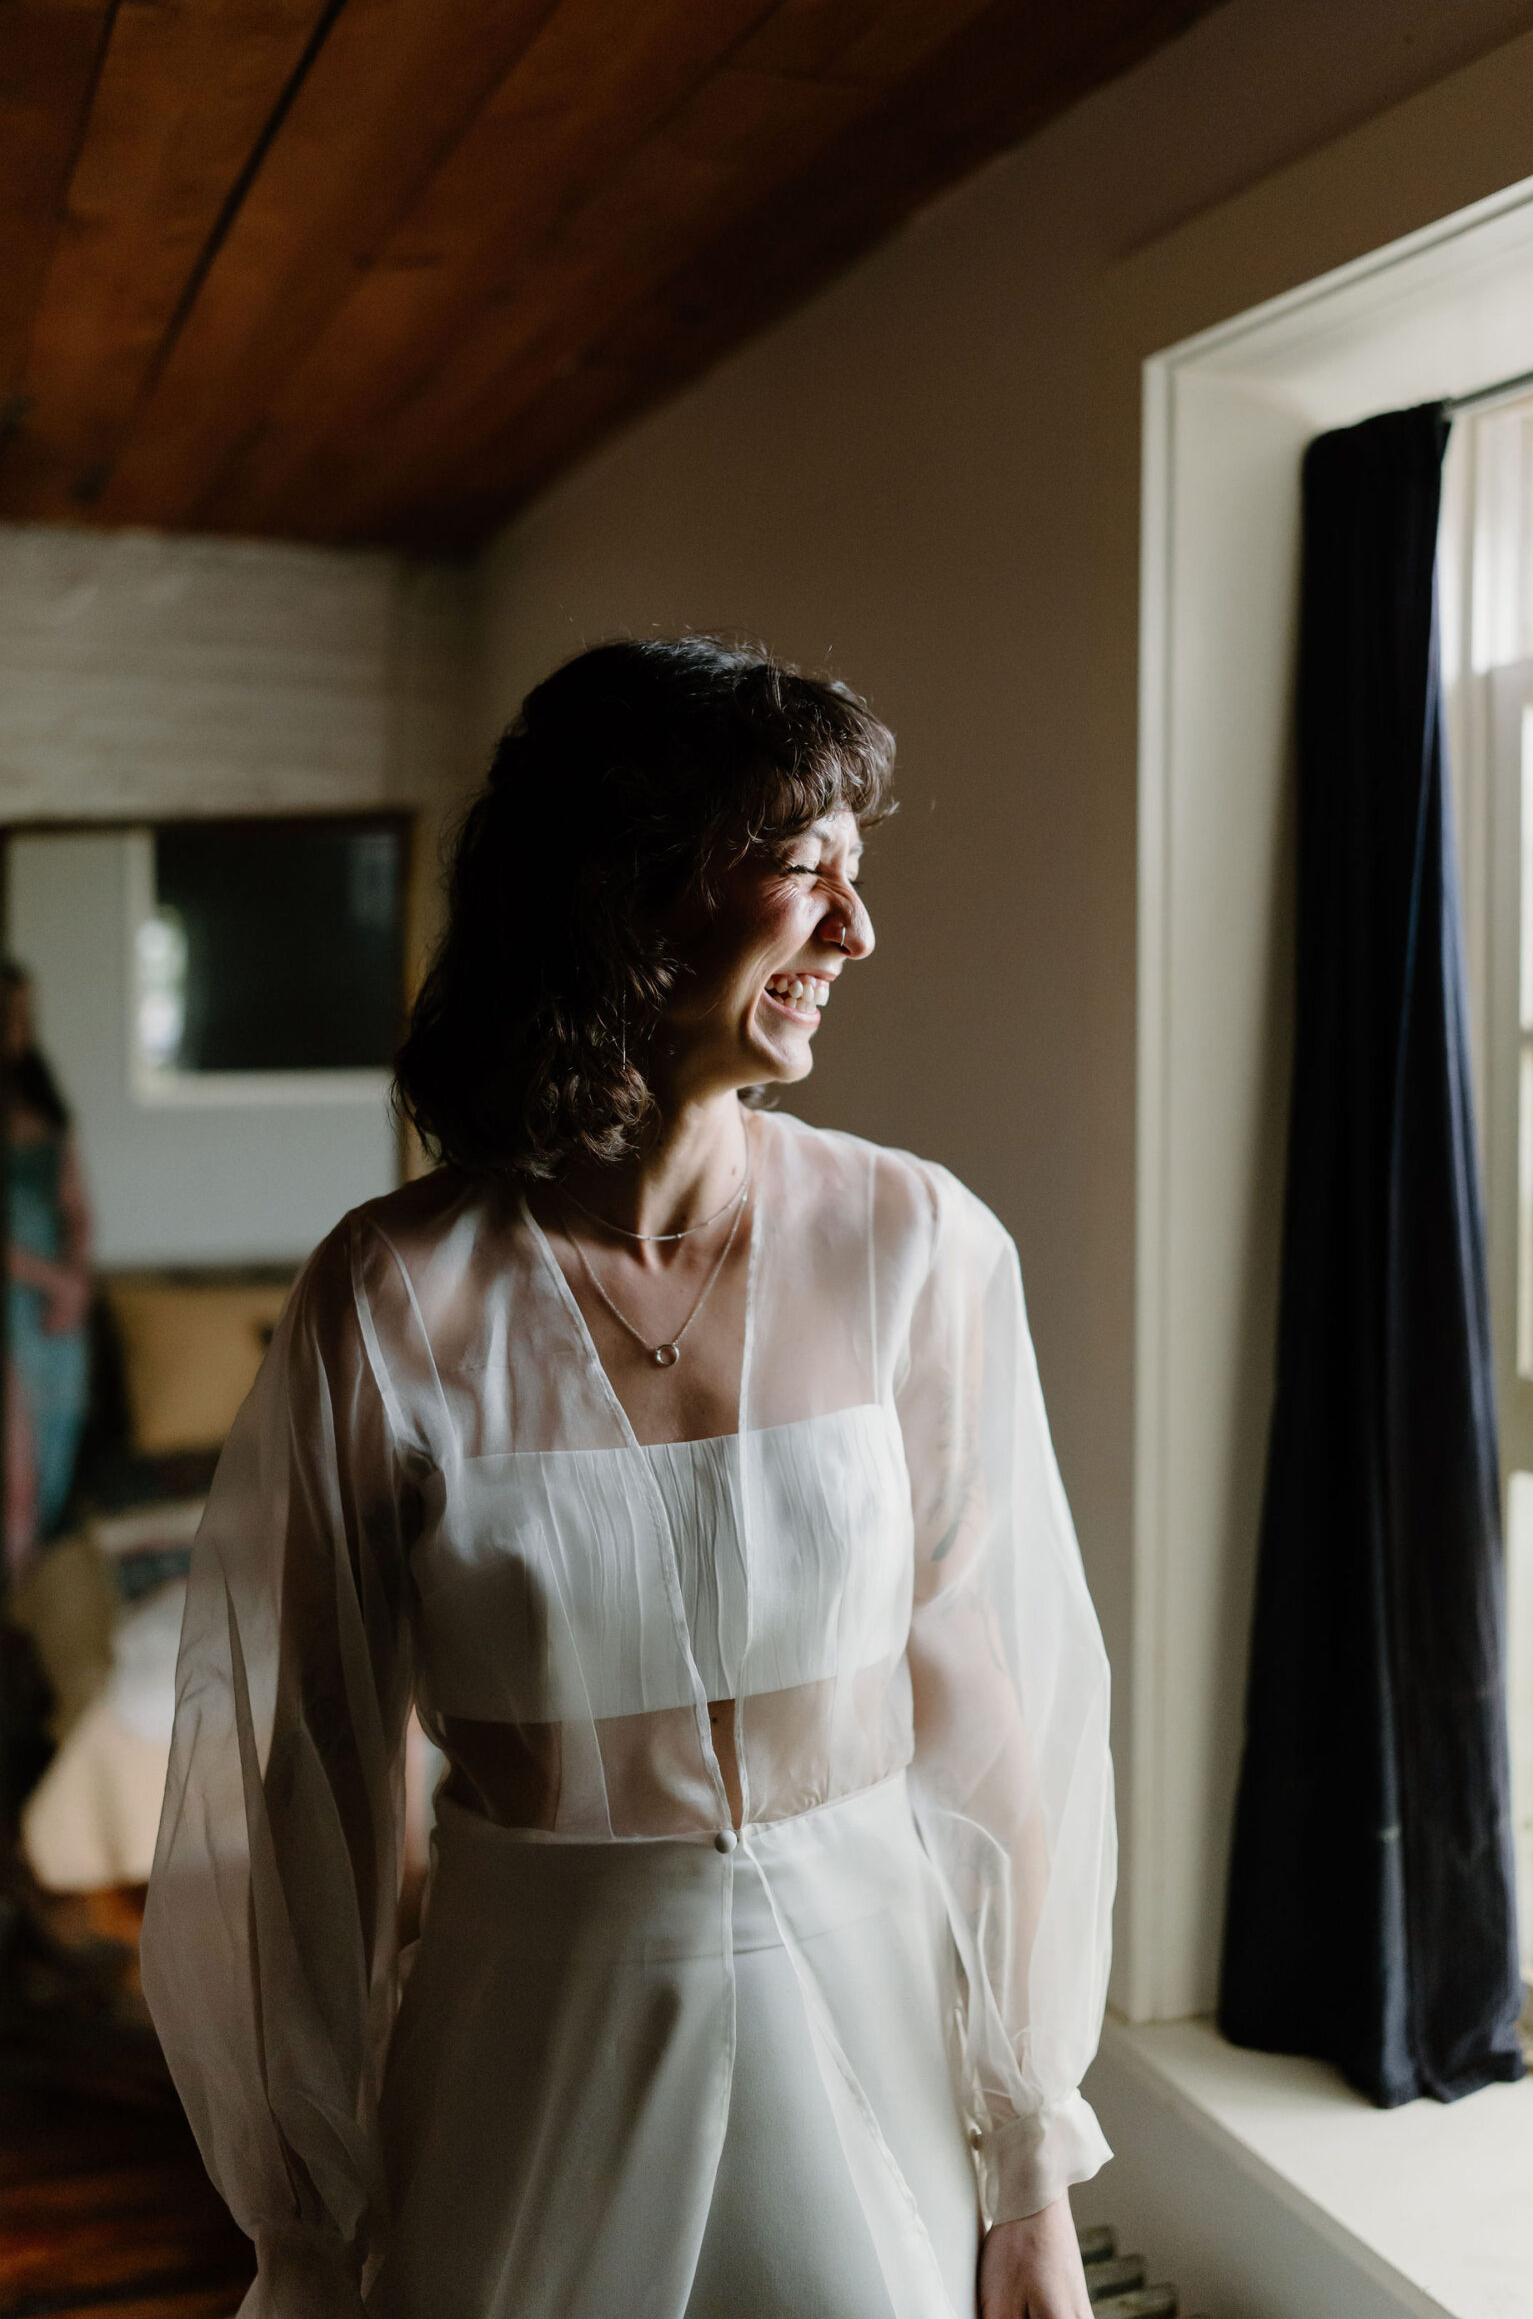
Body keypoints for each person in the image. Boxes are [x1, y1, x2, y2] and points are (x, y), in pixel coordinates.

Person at [142, 638, 1116, 2319]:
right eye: (802, 869)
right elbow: (309, 1792)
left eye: (855, 876)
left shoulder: (916, 1246)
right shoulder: (387, 1299)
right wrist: (301, 2228)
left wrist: (1025, 2165)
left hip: (868, 2035)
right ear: (623, 889)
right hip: (535, 2056)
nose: (853, 931)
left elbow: (985, 1712)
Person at [4, 960, 92, 1566]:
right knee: (17, 1479)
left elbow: (77, 1208)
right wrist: (53, 1279)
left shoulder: (46, 1104)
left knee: (47, 1471)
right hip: (11, 1302)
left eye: (25, 1012)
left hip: (56, 1312)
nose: (19, 1025)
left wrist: (75, 1282)